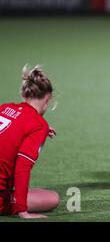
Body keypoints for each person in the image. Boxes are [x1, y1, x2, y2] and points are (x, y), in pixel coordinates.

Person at [0, 65, 59, 218]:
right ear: (47, 100)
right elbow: (22, 167)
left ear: (25, 94)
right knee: (53, 197)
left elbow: (13, 130)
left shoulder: (4, 108)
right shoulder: (39, 125)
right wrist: (23, 211)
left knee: (35, 191)